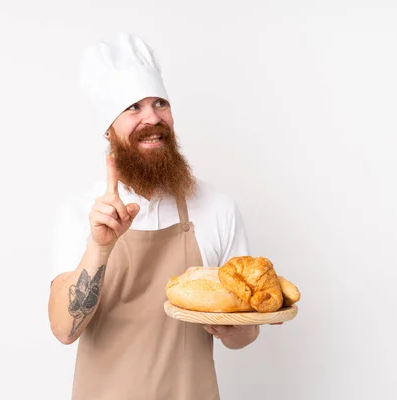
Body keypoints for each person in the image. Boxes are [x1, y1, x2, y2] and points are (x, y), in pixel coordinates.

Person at [47, 33, 273, 400]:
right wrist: (100, 247)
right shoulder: (80, 213)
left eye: (159, 103)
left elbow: (246, 335)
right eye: (133, 107)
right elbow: (63, 330)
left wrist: (233, 328)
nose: (152, 117)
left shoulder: (216, 207)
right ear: (108, 128)